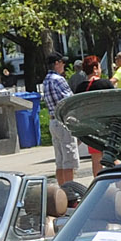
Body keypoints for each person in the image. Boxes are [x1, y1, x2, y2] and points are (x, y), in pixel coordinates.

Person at [39, 54, 78, 189]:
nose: (64, 66)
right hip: (63, 121)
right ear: (56, 63)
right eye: (62, 63)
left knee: (60, 160)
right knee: (69, 160)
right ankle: (70, 191)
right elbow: (70, 100)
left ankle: (62, 191)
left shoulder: (46, 80)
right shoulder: (58, 79)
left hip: (53, 121)